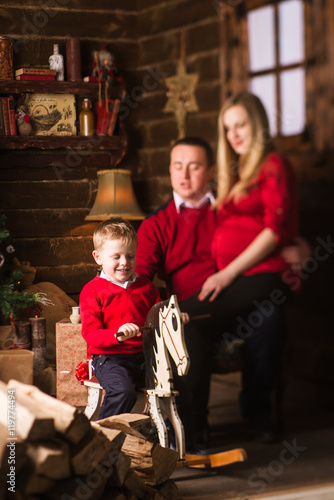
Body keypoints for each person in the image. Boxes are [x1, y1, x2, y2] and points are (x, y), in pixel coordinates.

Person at [136, 130, 310, 450]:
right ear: (169, 169)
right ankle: (194, 431)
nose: (184, 174)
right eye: (177, 166)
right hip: (196, 314)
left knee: (269, 314)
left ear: (212, 171)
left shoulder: (232, 209)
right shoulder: (156, 224)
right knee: (186, 326)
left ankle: (258, 415)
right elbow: (139, 277)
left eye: (195, 166)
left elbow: (272, 230)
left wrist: (298, 245)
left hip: (243, 303)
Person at [80, 217, 162, 419]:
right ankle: (105, 436)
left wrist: (176, 317)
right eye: (116, 257)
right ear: (98, 257)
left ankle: (164, 436)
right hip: (110, 358)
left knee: (175, 382)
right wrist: (117, 336)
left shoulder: (146, 287)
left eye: (131, 256)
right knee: (122, 391)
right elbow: (91, 334)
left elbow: (160, 316)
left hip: (144, 356)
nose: (124, 263)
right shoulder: (92, 291)